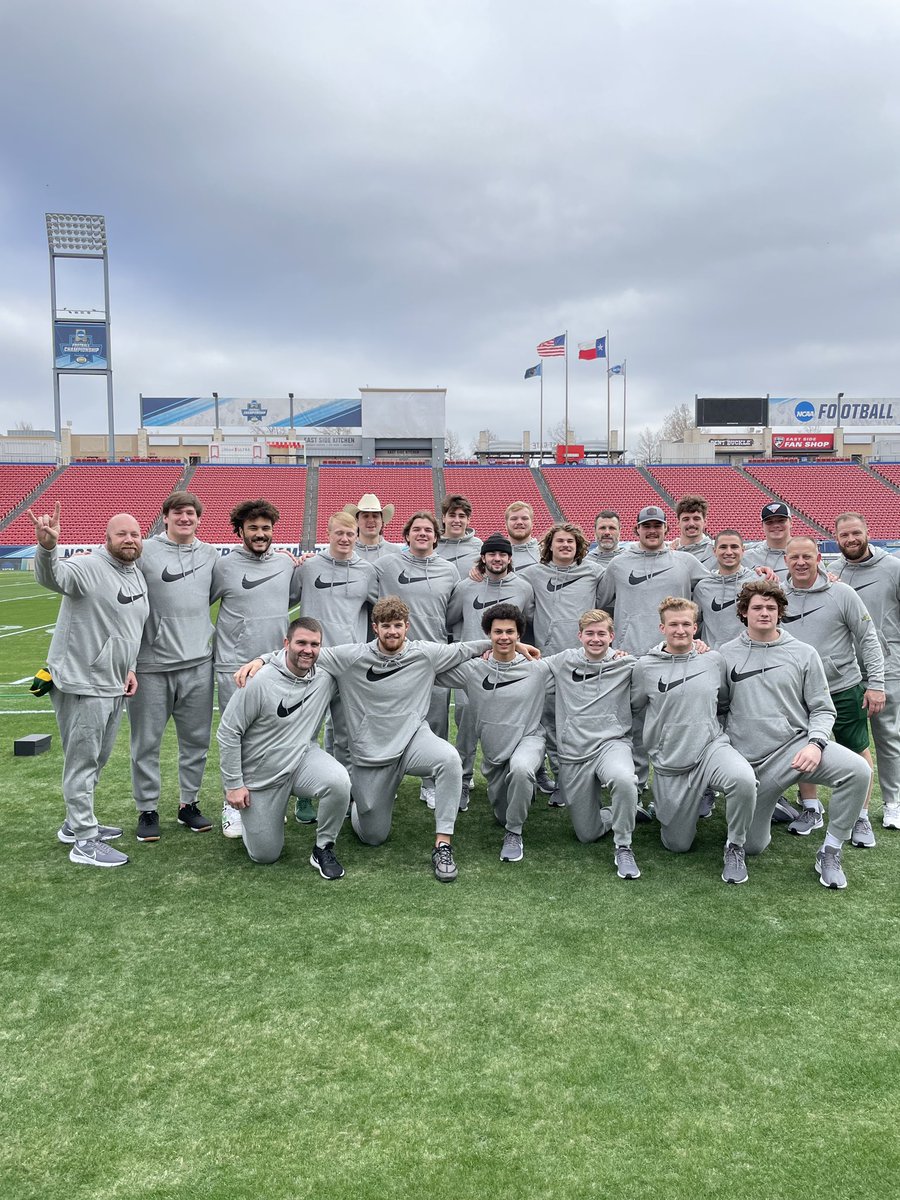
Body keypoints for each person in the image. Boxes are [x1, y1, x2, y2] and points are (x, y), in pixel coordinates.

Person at [237, 596, 532, 882]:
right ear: (375, 627)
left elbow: (466, 648)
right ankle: (357, 804)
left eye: (398, 625)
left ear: (407, 627)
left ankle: (443, 844)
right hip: (372, 756)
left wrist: (510, 644)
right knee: (373, 836)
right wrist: (262, 659)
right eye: (386, 625)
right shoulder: (351, 657)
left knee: (448, 759)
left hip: (413, 742)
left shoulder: (425, 653)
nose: (393, 631)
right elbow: (306, 652)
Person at [720, 580, 871, 889]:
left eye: (771, 607)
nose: (764, 613)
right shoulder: (725, 654)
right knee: (753, 847)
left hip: (796, 751)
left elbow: (823, 709)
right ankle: (760, 820)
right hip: (750, 765)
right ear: (744, 612)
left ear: (780, 613)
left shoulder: (804, 653)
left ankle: (830, 851)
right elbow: (719, 709)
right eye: (757, 607)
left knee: (858, 771)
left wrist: (816, 743)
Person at [30, 503, 148, 869]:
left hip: (113, 683)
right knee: (81, 762)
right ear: (106, 538)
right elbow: (53, 577)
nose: (129, 539)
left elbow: (130, 629)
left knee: (97, 758)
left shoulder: (136, 574)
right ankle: (83, 839)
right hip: (83, 681)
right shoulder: (90, 566)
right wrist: (47, 547)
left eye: (135, 534)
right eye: (121, 534)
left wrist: (129, 668)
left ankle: (75, 823)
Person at [630, 597, 757, 884]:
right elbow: (634, 708)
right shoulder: (645, 667)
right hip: (671, 762)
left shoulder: (713, 660)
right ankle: (667, 806)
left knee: (743, 779)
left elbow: (723, 702)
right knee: (677, 845)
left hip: (711, 749)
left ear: (695, 627)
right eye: (673, 624)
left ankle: (735, 846)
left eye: (686, 624)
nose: (680, 630)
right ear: (662, 628)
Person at [217, 618, 350, 878]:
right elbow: (228, 732)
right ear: (286, 643)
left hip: (302, 761)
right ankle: (259, 815)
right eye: (301, 643)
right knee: (265, 855)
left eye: (314, 644)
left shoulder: (326, 677)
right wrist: (233, 784)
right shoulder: (259, 680)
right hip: (262, 776)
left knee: (339, 781)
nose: (308, 650)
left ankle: (323, 847)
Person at [780, 536, 885, 843]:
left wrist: (876, 684)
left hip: (843, 686)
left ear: (819, 558)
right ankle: (811, 808)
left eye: (807, 556)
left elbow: (868, 638)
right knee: (802, 749)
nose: (801, 562)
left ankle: (860, 816)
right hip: (798, 692)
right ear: (785, 561)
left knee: (856, 749)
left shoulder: (842, 593)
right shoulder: (778, 596)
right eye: (794, 557)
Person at [129, 490, 218, 842]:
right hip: (151, 666)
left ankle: (188, 804)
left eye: (191, 513)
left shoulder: (210, 555)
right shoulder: (145, 551)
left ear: (198, 519)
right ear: (165, 517)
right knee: (146, 743)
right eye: (178, 512)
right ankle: (147, 809)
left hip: (198, 665)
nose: (185, 518)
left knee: (196, 742)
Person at [212, 499, 302, 838]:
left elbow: (289, 599)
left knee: (271, 736)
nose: (260, 534)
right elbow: (196, 602)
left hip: (275, 666)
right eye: (253, 528)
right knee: (236, 735)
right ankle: (231, 803)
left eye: (266, 528)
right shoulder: (223, 567)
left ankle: (265, 800)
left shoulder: (285, 563)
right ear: (240, 531)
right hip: (234, 665)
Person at [435, 603, 547, 862]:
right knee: (502, 814)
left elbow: (581, 660)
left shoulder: (538, 668)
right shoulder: (474, 669)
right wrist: (484, 647)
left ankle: (514, 832)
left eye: (510, 632)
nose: (504, 637)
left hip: (529, 741)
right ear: (488, 634)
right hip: (495, 755)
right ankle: (520, 793)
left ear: (519, 634)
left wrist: (615, 654)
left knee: (521, 769)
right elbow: (432, 666)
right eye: (498, 632)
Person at [548, 609, 640, 879]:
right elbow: (530, 663)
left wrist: (697, 645)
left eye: (602, 633)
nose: (596, 639)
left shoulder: (627, 663)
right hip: (574, 751)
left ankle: (623, 846)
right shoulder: (564, 661)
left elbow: (662, 661)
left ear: (612, 636)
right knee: (586, 834)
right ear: (580, 635)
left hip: (611, 744)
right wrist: (508, 647)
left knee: (624, 779)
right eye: (589, 633)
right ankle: (625, 809)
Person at [376, 511, 459, 809]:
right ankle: (388, 781)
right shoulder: (386, 565)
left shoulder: (449, 570)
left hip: (434, 658)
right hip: (394, 658)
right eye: (417, 529)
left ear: (436, 537)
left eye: (428, 530)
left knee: (435, 722)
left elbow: (453, 613)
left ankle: (431, 783)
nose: (422, 533)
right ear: (407, 535)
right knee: (391, 722)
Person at [446, 532, 536, 805]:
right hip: (473, 668)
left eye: (502, 554)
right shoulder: (466, 587)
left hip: (509, 668)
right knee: (466, 724)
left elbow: (527, 623)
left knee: (508, 724)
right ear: (483, 558)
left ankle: (516, 776)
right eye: (492, 554)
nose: (497, 559)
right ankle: (463, 780)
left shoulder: (523, 587)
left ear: (510, 558)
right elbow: (451, 619)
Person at [295, 511, 378, 807]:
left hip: (348, 665)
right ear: (328, 535)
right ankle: (303, 795)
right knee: (305, 732)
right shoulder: (308, 568)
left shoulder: (367, 571)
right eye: (339, 533)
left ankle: (343, 792)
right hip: (311, 662)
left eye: (350, 533)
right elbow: (283, 597)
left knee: (346, 734)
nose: (344, 539)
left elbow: (381, 611)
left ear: (357, 535)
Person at [519, 521, 605, 800]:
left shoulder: (594, 572)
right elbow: (515, 597)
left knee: (582, 724)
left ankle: (586, 777)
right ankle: (561, 780)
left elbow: (607, 601)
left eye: (570, 541)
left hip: (586, 662)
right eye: (560, 541)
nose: (565, 545)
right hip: (548, 662)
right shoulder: (533, 573)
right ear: (550, 545)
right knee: (550, 724)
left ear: (579, 546)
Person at [834, 511, 900, 832]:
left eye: (855, 533)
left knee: (887, 736)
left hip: (887, 667)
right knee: (850, 739)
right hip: (846, 671)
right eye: (844, 535)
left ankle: (893, 802)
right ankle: (852, 806)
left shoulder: (893, 568)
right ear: (836, 539)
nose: (851, 539)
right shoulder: (833, 571)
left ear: (867, 532)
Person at [692, 530, 758, 649]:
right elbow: (695, 624)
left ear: (743, 550)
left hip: (749, 653)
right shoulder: (702, 587)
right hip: (714, 655)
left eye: (734, 547)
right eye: (723, 547)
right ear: (714, 551)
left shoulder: (758, 581)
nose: (729, 552)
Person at [342, 492, 400, 562]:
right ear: (356, 521)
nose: (371, 520)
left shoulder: (395, 553)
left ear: (382, 521)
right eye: (365, 516)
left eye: (375, 516)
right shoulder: (345, 551)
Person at [436, 493, 483, 577]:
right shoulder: (433, 545)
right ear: (443, 518)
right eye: (452, 515)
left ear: (468, 520)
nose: (457, 520)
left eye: (461, 516)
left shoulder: (478, 546)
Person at [742, 502, 792, 578]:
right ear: (762, 526)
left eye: (781, 521)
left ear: (791, 523)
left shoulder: (805, 553)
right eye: (769, 522)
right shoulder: (747, 557)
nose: (775, 525)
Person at [670, 495, 716, 566]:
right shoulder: (669, 552)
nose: (691, 523)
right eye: (686, 519)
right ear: (678, 523)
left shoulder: (717, 550)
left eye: (696, 519)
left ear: (705, 522)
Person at [505, 501, 541, 569]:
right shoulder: (497, 554)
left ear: (532, 524)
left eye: (524, 518)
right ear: (506, 525)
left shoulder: (545, 553)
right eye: (514, 519)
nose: (519, 522)